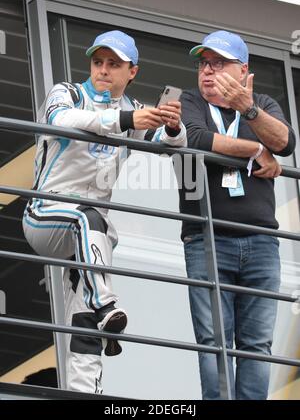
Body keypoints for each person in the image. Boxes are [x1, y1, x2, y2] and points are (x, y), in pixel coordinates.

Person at [22, 30, 186, 394]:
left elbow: (170, 146)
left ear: (133, 71)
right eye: (98, 62)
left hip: (88, 239)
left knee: (83, 324)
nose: (103, 70)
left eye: (114, 64)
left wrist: (173, 126)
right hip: (45, 214)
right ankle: (106, 305)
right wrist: (126, 120)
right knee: (89, 217)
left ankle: (87, 389)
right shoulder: (68, 93)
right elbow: (62, 121)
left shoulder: (133, 108)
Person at [179, 30, 296, 400]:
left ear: (242, 69)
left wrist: (249, 110)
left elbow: (285, 142)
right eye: (203, 63)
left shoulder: (261, 103)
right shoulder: (190, 101)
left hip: (262, 241)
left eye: (218, 63)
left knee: (256, 344)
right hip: (206, 237)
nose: (207, 71)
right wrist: (253, 150)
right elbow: (195, 138)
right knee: (214, 340)